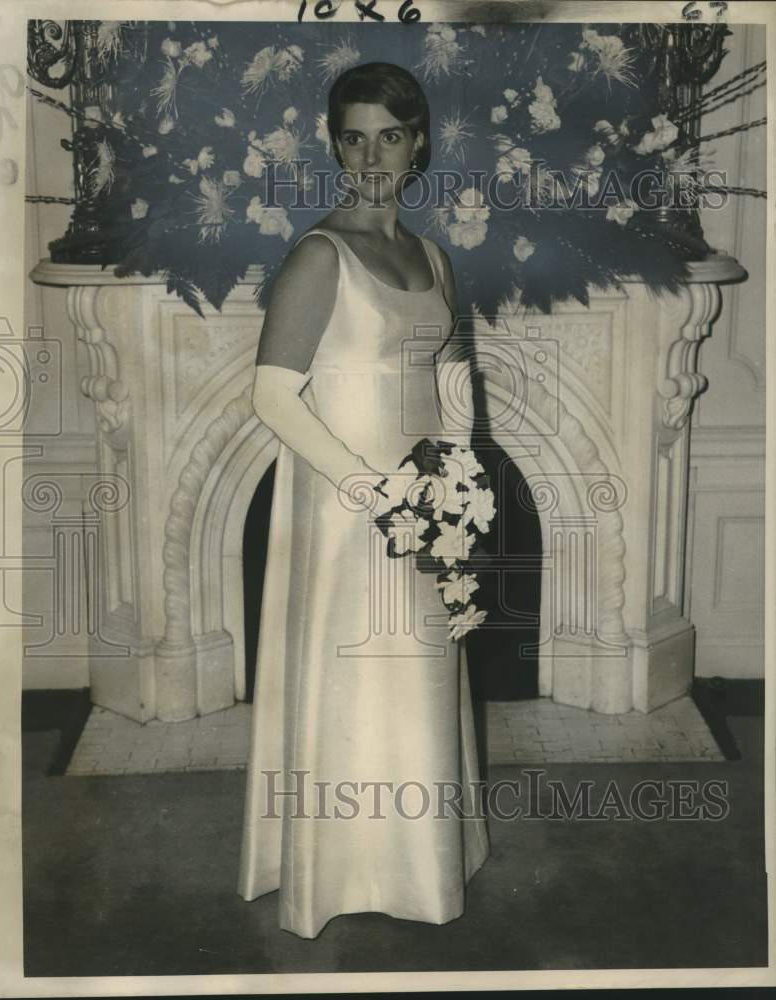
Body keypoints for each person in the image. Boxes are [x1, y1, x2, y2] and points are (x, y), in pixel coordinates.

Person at [237, 61, 489, 940]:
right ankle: (339, 872)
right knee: (355, 683)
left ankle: (419, 868)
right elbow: (271, 397)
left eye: (390, 134)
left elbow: (453, 381)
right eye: (354, 136)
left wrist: (457, 479)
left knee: (418, 675)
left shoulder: (433, 258)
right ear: (334, 145)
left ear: (419, 142)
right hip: (348, 508)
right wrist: (371, 491)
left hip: (427, 501)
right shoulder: (319, 254)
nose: (372, 153)